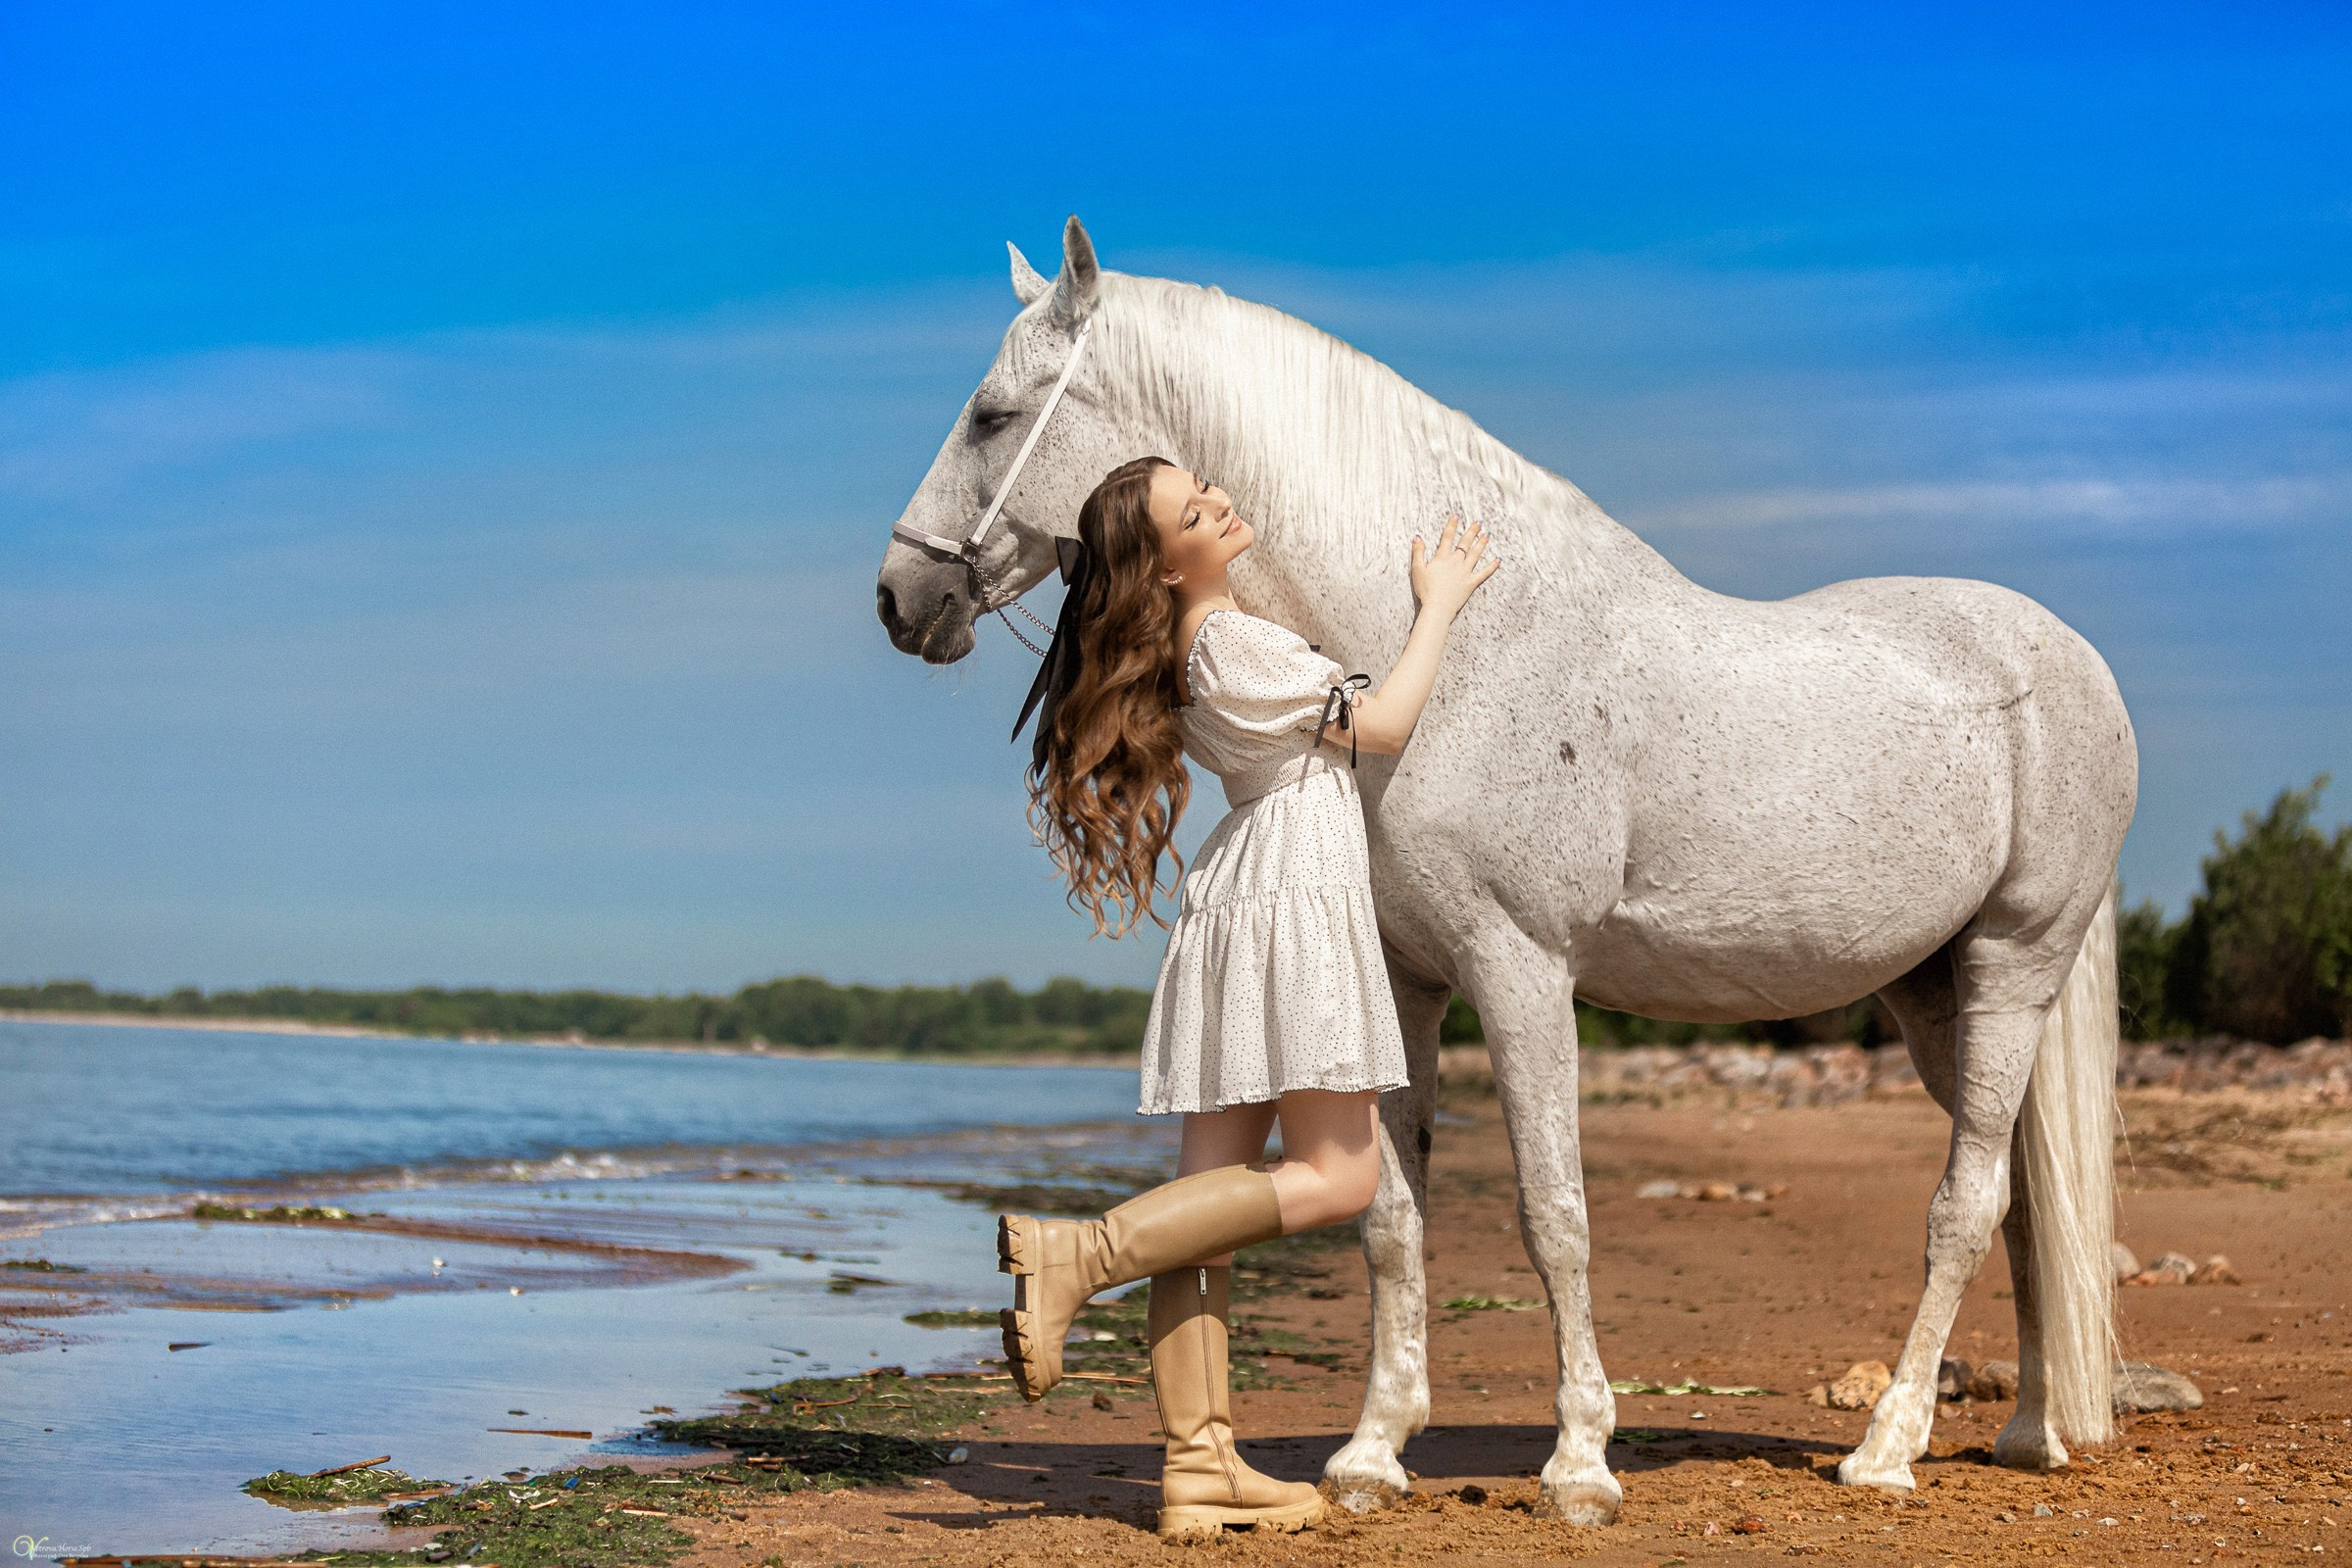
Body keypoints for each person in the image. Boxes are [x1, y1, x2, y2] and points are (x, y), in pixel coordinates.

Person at [1004, 455, 1497, 1541]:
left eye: (1206, 490)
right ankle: (1078, 1255)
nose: (1220, 505)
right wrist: (1441, 609)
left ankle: (1198, 1465)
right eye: (1195, 512)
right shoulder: (1233, 641)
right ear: (1168, 566)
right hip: (1292, 898)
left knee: (1211, 1206)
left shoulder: (1200, 644)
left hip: (1248, 893)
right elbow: (1385, 725)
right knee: (1341, 1174)